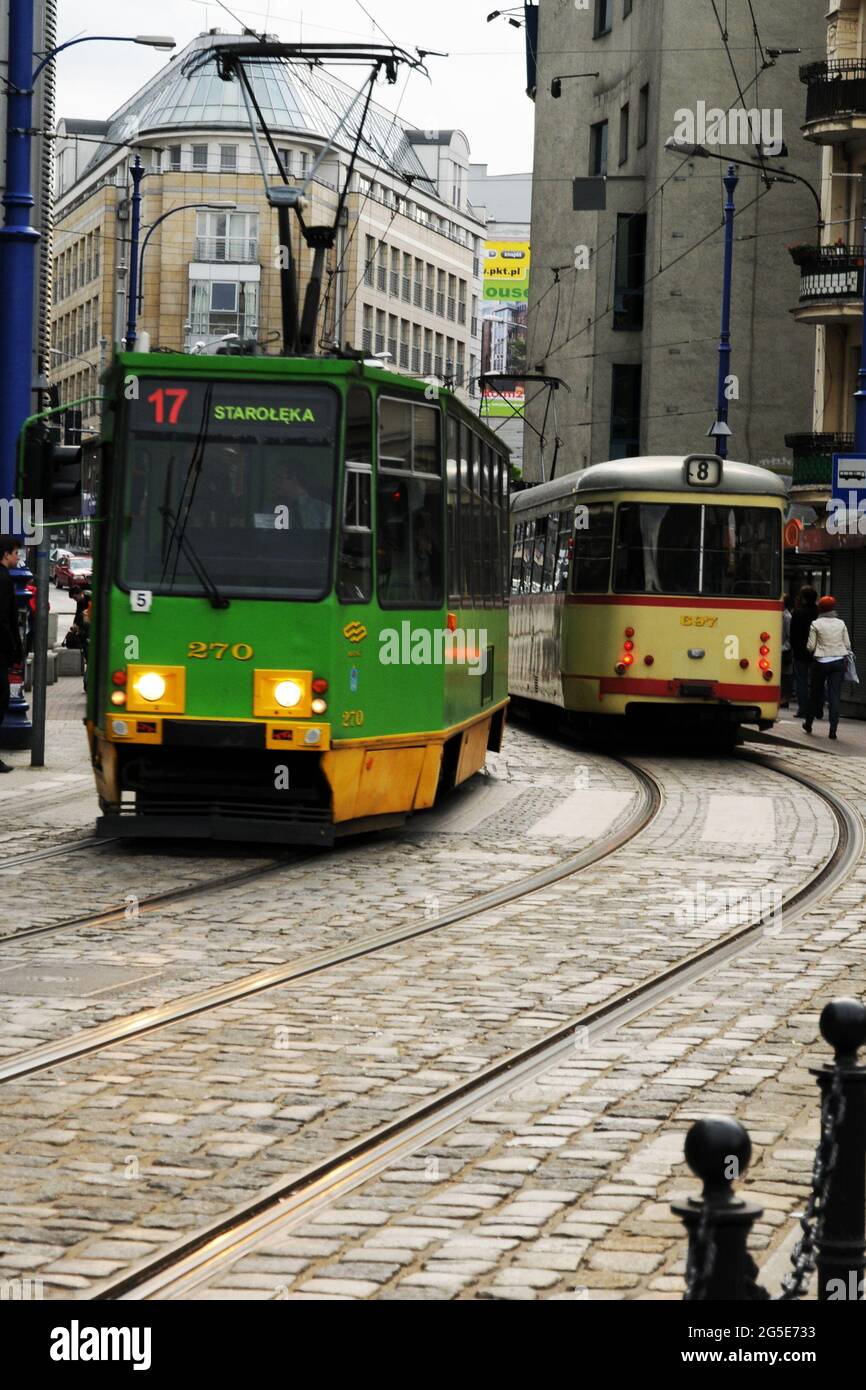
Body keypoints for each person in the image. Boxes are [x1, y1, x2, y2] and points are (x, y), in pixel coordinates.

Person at [803, 595, 852, 740]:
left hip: (821, 662)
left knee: (815, 693)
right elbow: (847, 645)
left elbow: (811, 647)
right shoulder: (841, 623)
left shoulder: (816, 624)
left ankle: (809, 723)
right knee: (834, 695)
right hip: (838, 661)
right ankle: (833, 731)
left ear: (820, 608)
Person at [0, 536, 24, 773]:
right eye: (16, 553)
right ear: (6, 554)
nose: (18, 558)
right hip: (0, 653)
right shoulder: (4, 580)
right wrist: (13, 649)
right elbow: (4, 620)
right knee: (1, 699)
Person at [790, 586, 819, 719]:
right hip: (817, 652)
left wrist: (794, 649)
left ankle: (803, 709)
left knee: (801, 681)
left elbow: (793, 634)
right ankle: (817, 709)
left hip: (800, 652)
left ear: (803, 598)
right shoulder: (818, 613)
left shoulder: (797, 612)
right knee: (816, 681)